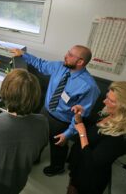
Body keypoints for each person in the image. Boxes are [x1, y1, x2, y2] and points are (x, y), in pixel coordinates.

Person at [11, 45, 100, 176]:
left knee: (58, 146)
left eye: (70, 55)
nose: (65, 56)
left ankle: (57, 167)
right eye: (67, 52)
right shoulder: (59, 66)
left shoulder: (89, 87)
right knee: (37, 137)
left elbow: (81, 115)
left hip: (62, 122)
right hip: (45, 111)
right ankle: (35, 158)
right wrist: (23, 54)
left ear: (80, 62)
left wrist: (68, 134)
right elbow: (40, 64)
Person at [67, 81, 126, 194]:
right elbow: (95, 130)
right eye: (107, 97)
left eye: (111, 101)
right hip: (79, 167)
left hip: (90, 179)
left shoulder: (121, 136)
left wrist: (82, 132)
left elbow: (92, 163)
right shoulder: (109, 114)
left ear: (125, 108)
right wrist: (81, 116)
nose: (104, 101)